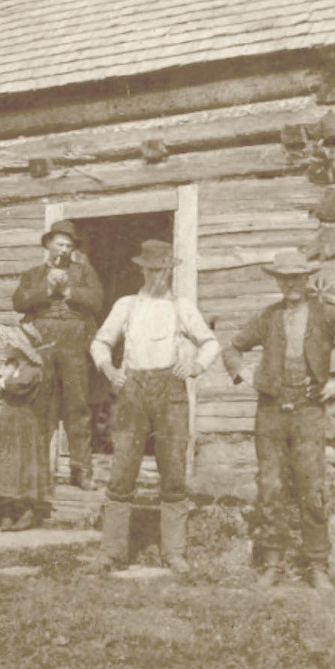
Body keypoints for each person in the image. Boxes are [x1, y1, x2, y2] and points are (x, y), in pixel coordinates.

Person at [221, 250, 335, 590]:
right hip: (270, 414)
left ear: (307, 279)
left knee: (311, 488)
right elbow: (232, 348)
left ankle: (317, 565)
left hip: (309, 412)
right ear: (278, 281)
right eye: (285, 278)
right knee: (270, 488)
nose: (291, 284)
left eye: (297, 277)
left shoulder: (326, 316)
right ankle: (272, 563)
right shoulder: (268, 317)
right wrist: (243, 374)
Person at [90, 239, 219, 574]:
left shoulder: (182, 306)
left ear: (169, 271)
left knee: (173, 468)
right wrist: (109, 370)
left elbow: (210, 342)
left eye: (163, 270)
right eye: (151, 270)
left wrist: (194, 367)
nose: (157, 276)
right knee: (123, 468)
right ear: (142, 270)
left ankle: (174, 552)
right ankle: (112, 551)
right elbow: (101, 342)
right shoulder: (126, 305)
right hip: (133, 389)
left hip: (170, 391)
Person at [14, 220, 104, 491]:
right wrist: (47, 291)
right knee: (41, 407)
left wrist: (68, 291)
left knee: (78, 408)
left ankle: (81, 470)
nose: (64, 250)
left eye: (68, 245)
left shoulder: (84, 272)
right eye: (59, 244)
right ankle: (38, 473)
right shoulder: (33, 274)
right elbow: (19, 302)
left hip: (74, 344)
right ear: (48, 245)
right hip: (42, 346)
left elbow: (97, 301)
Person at [0, 323, 56, 531]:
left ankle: (27, 513)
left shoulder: (32, 369)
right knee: (7, 465)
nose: (8, 346)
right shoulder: (13, 366)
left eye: (12, 344)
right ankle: (8, 512)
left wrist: (4, 381)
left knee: (24, 464)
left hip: (25, 422)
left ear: (22, 347)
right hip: (8, 420)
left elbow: (18, 387)